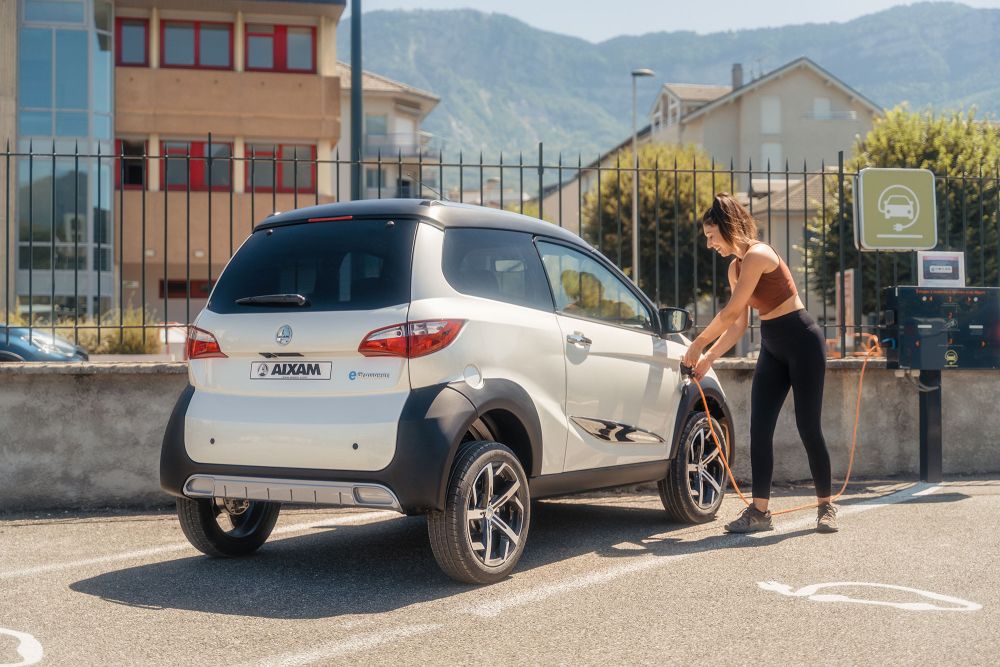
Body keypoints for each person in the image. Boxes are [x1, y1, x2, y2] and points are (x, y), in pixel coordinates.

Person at [681, 193, 838, 534]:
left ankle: (826, 506)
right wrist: (709, 358)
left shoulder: (758, 255)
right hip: (772, 347)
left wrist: (697, 344)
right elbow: (738, 325)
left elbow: (731, 312)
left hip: (802, 342)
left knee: (808, 427)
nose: (710, 244)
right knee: (759, 428)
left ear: (726, 228)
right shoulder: (735, 268)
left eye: (711, 236)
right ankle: (760, 513)